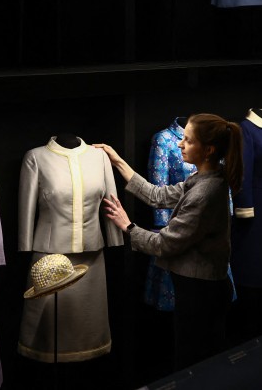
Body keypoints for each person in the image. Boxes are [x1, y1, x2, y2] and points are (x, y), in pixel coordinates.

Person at [97, 113, 242, 371]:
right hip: (201, 290)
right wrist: (118, 161)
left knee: (196, 365)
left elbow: (164, 245)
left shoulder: (205, 193)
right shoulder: (205, 179)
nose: (179, 144)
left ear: (208, 150)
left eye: (188, 140)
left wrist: (127, 226)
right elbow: (157, 195)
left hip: (201, 295)